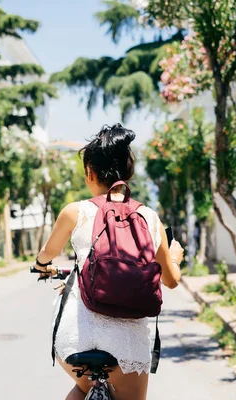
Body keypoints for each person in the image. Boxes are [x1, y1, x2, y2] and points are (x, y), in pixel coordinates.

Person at [34, 124, 184, 400]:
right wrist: (174, 258)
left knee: (82, 387)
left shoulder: (74, 212)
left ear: (90, 172)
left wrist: (41, 264)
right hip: (127, 343)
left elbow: (47, 253)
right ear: (129, 171)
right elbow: (171, 280)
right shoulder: (149, 217)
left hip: (76, 336)